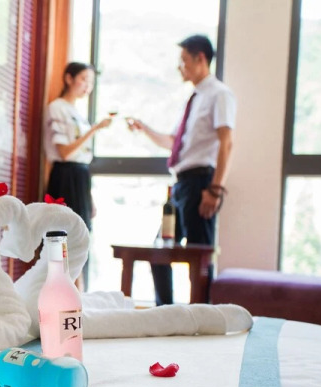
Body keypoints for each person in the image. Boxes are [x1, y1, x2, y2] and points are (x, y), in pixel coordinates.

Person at [127, 35, 236, 305]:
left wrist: (215, 189)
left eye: (184, 60)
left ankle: (204, 317)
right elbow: (173, 142)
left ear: (201, 59)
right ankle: (167, 313)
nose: (180, 67)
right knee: (160, 253)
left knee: (198, 261)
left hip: (201, 183)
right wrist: (144, 129)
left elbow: (226, 142)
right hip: (181, 185)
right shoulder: (194, 99)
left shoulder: (219, 94)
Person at [43, 62, 112, 289]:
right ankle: (63, 290)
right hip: (65, 175)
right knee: (64, 235)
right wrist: (94, 129)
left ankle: (78, 289)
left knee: (82, 235)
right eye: (83, 79)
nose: (87, 86)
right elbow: (64, 151)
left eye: (90, 82)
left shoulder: (77, 113)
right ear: (68, 78)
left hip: (80, 176)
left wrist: (89, 197)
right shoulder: (57, 108)